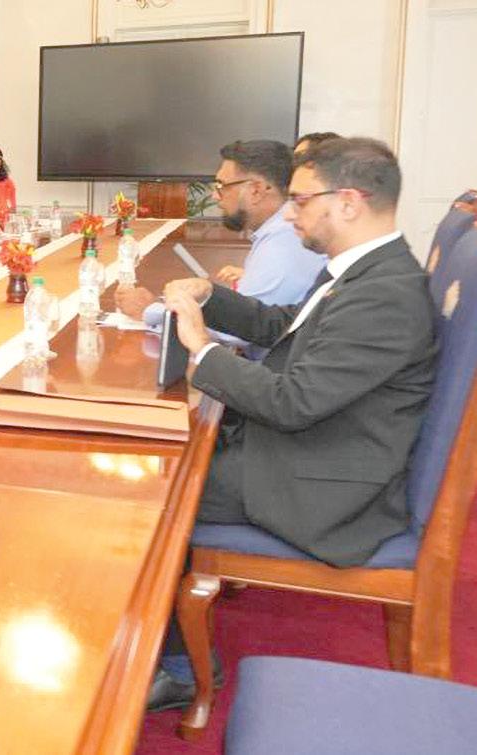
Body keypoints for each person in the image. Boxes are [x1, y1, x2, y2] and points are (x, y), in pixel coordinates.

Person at [149, 138, 437, 710]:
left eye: (301, 201)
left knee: (158, 492)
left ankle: (176, 667)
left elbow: (292, 402)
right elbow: (286, 325)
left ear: (348, 202)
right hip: (318, 446)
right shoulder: (366, 270)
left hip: (324, 486)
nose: (287, 213)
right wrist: (212, 297)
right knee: (169, 454)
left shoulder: (385, 295)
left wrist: (204, 351)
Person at [115, 140, 327, 351]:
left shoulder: (283, 243)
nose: (215, 196)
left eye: (222, 186)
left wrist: (150, 310)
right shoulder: (278, 233)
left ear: (256, 190)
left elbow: (236, 332)